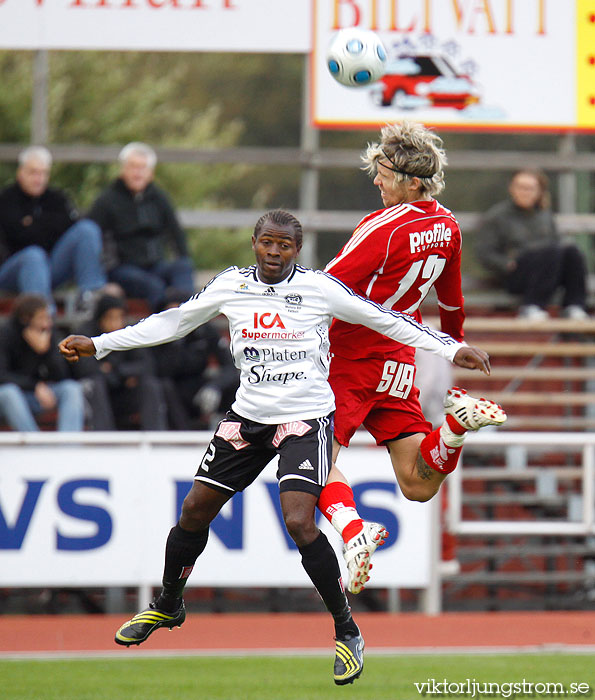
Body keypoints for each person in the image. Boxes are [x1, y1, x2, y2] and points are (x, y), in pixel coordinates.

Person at [59, 209, 491, 685]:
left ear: (296, 250)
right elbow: (172, 322)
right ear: (254, 242)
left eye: (283, 245)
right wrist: (100, 344)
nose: (273, 252)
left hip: (305, 419)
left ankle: (347, 631)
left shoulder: (320, 289)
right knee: (193, 511)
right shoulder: (230, 285)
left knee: (299, 521)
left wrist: (451, 348)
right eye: (267, 242)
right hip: (248, 418)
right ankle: (168, 605)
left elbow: (388, 320)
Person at [316, 121, 507, 595]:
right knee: (418, 484)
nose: (376, 180)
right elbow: (451, 301)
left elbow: (322, 288)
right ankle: (454, 429)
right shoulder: (448, 226)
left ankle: (354, 532)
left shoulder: (382, 227)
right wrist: (454, 343)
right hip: (400, 359)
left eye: (383, 173)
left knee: (309, 462)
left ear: (412, 182)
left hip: (350, 357)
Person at [0, 146, 108, 314]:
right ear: (20, 172)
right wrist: (48, 226)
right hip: (12, 270)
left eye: (43, 173)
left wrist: (33, 223)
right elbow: (18, 235)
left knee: (87, 230)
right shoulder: (6, 200)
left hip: (50, 268)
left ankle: (90, 295)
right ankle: (42, 316)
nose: (38, 178)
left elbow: (69, 227)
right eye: (33, 172)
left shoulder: (57, 198)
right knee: (34, 255)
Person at [87, 142, 195, 310]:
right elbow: (90, 239)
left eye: (142, 168)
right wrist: (101, 279)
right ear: (123, 170)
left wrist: (183, 257)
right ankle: (167, 329)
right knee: (154, 286)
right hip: (122, 269)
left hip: (156, 265)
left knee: (183, 267)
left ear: (151, 173)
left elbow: (176, 233)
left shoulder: (160, 198)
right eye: (132, 167)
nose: (137, 173)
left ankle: (189, 315)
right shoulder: (106, 201)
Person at [475, 168, 589, 321]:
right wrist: (507, 264)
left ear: (539, 191)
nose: (524, 192)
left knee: (571, 251)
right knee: (550, 251)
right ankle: (532, 305)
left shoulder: (544, 214)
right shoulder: (497, 216)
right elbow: (484, 252)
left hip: (549, 271)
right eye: (520, 187)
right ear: (512, 189)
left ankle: (574, 306)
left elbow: (556, 243)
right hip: (518, 274)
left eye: (529, 188)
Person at [71, 294, 168, 431]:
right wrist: (122, 376)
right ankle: (104, 440)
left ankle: (156, 438)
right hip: (97, 396)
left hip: (123, 394)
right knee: (95, 384)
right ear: (100, 318)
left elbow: (147, 365)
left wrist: (116, 370)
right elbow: (85, 369)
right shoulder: (86, 335)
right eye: (110, 318)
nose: (115, 323)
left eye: (119, 317)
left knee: (150, 385)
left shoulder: (129, 333)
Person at [151, 288, 238, 430]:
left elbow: (229, 366)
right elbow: (155, 369)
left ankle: (231, 431)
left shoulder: (205, 331)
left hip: (198, 387)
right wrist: (174, 343)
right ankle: (183, 434)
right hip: (170, 389)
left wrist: (214, 386)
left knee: (237, 383)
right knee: (163, 387)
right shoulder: (155, 335)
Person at [0, 294, 84, 431]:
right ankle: (35, 445)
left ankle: (68, 447)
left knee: (71, 388)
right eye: (42, 318)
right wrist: (34, 386)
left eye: (48, 317)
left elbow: (61, 375)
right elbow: (2, 376)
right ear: (25, 319)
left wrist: (45, 351)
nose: (47, 323)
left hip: (43, 393)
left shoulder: (49, 333)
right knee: (9, 393)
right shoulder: (5, 334)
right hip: (15, 397)